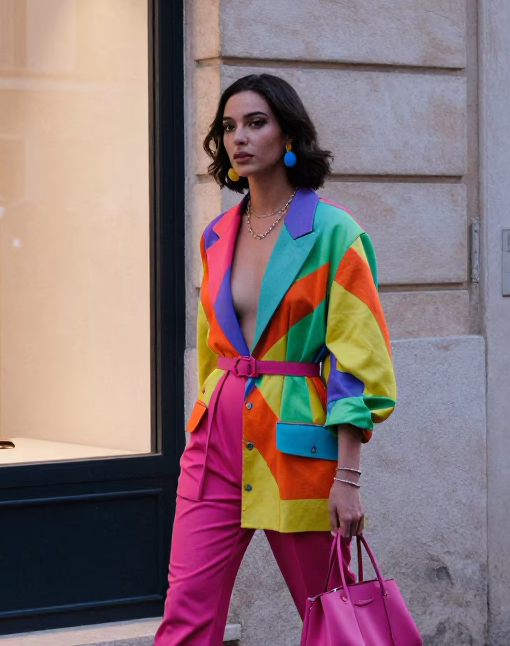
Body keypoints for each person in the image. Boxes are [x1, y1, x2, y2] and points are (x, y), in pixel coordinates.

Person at [154, 74, 397, 645]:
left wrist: (348, 475)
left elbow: (355, 360)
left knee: (328, 614)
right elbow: (213, 350)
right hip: (214, 440)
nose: (239, 138)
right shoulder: (216, 234)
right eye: (229, 127)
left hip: (297, 445)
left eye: (256, 123)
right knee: (186, 610)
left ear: (288, 133)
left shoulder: (334, 232)